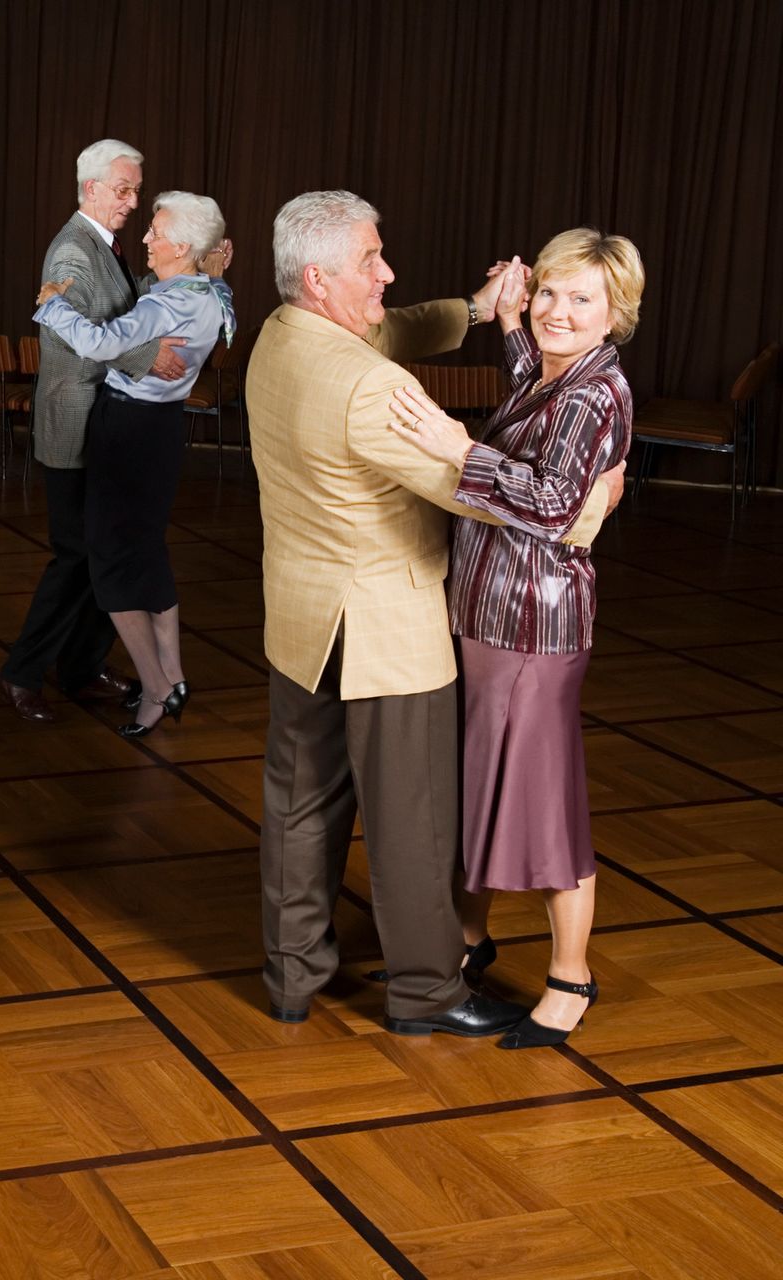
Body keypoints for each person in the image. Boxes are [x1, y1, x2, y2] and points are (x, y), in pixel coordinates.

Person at [244, 190, 623, 1037]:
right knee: (412, 816)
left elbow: (393, 325)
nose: (388, 272)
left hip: (302, 622)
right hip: (384, 630)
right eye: (371, 261)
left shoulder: (280, 335)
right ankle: (425, 990)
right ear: (319, 277)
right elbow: (482, 495)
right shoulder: (371, 387)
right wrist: (591, 508)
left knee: (301, 802)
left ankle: (292, 974)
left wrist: (482, 312)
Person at [388, 229, 642, 1049]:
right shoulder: (555, 374)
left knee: (542, 811)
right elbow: (530, 378)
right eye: (551, 295)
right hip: (492, 621)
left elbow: (548, 504)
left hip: (533, 631)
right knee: (481, 794)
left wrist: (457, 448)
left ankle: (571, 980)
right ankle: (466, 943)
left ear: (616, 316)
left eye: (582, 301)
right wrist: (506, 315)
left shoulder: (594, 395)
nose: (558, 313)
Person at [0, 139, 188, 724]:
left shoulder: (99, 245)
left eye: (136, 189)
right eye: (125, 189)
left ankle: (80, 666)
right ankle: (23, 673)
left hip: (100, 426)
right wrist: (148, 357)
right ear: (91, 189)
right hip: (73, 426)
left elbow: (120, 318)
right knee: (77, 556)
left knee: (99, 556)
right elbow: (76, 339)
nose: (134, 201)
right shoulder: (73, 255)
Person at [32, 191, 234, 737]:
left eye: (157, 231)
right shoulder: (209, 292)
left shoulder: (164, 306)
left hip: (127, 434)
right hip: (164, 434)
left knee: (110, 564)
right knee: (146, 551)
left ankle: (156, 686)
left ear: (184, 246)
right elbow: (195, 290)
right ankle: (174, 670)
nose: (145, 238)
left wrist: (51, 303)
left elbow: (98, 343)